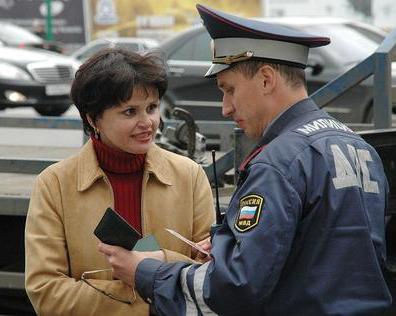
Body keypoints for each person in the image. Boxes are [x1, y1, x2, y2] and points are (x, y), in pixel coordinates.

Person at [98, 4, 393, 316]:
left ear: (266, 79)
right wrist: (230, 243)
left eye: (230, 90)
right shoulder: (359, 146)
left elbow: (233, 289)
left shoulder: (277, 163)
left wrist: (144, 273)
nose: (225, 107)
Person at [24, 48, 215, 316]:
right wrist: (145, 305)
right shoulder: (54, 184)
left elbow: (211, 274)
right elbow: (46, 291)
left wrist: (158, 263)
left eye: (152, 108)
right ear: (93, 119)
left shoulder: (189, 175)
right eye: (129, 112)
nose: (147, 122)